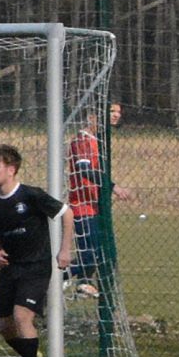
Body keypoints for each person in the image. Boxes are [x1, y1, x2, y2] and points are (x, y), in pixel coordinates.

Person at [0, 144, 73, 357]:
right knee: (4, 325)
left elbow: (67, 214)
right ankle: (29, 356)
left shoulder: (31, 195)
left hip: (36, 266)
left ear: (11, 169)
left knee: (22, 316)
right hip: (10, 269)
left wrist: (65, 250)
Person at [66, 102, 134, 297]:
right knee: (89, 257)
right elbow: (85, 169)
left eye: (118, 112)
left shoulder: (98, 141)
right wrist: (113, 187)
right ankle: (51, 280)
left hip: (95, 207)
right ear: (92, 117)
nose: (116, 116)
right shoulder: (83, 140)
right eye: (111, 111)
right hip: (82, 207)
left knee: (96, 254)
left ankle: (82, 284)